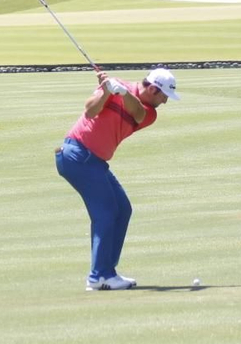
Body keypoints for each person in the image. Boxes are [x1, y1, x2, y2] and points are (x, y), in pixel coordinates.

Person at [54, 67, 179, 291]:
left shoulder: (150, 113)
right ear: (152, 89)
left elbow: (138, 112)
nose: (165, 102)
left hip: (95, 162)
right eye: (163, 96)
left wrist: (122, 93)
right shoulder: (114, 85)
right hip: (77, 155)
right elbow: (90, 111)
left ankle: (108, 272)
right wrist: (105, 91)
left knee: (122, 209)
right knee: (107, 213)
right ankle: (98, 276)